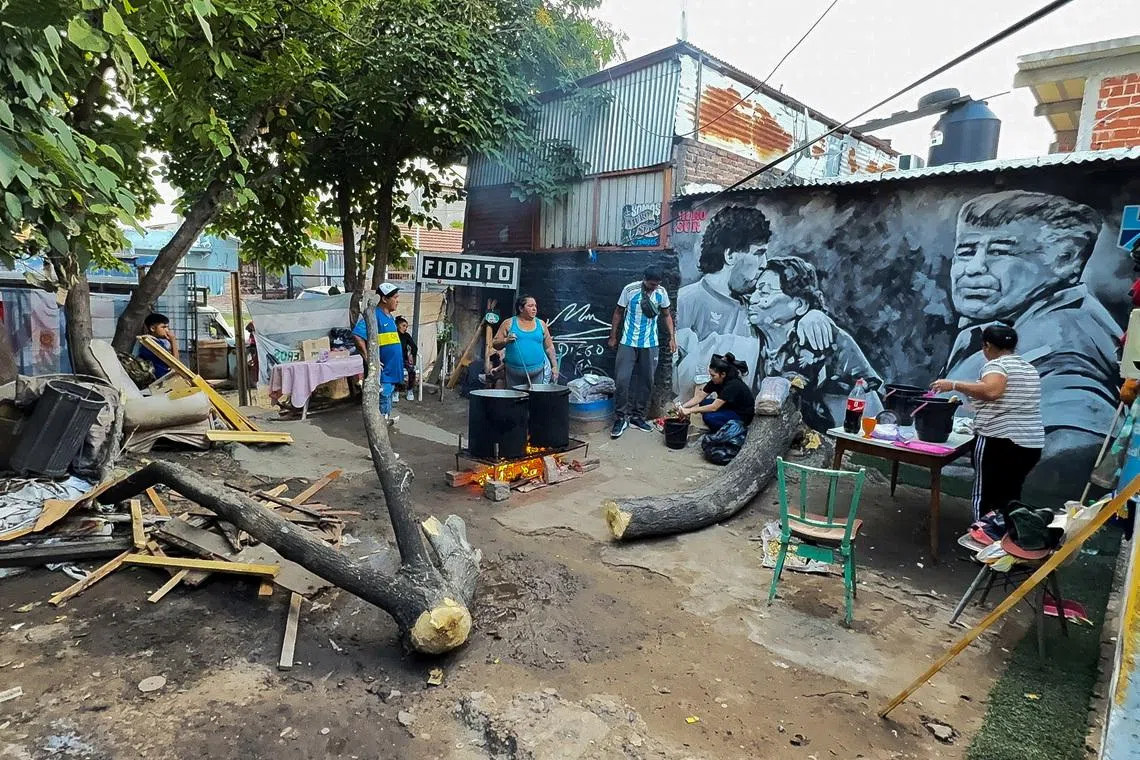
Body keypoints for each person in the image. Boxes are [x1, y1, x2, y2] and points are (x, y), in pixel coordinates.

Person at [941, 190, 1119, 495]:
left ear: (1066, 258)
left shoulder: (1061, 342)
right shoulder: (1002, 325)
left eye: (999, 251)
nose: (973, 268)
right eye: (966, 251)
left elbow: (1077, 441)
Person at [674, 205, 835, 399]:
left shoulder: (757, 307)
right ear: (730, 255)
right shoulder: (683, 302)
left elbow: (788, 326)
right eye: (759, 253)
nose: (765, 263)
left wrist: (813, 315)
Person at [746, 256, 882, 430]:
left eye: (764, 292)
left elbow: (870, 404)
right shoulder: (751, 334)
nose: (753, 298)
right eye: (755, 290)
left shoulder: (825, 340)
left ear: (800, 304)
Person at [932, 324, 1044, 523]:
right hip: (1030, 445)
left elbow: (992, 391)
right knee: (1009, 497)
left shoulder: (996, 365)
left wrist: (953, 385)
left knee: (985, 496)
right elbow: (1009, 402)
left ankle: (980, 537)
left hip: (999, 442)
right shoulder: (1028, 368)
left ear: (987, 346)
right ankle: (1004, 543)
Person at [608, 266, 676, 438]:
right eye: (651, 284)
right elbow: (618, 312)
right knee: (622, 380)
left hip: (650, 343)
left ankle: (638, 417)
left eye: (656, 284)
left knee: (647, 381)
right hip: (628, 342)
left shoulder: (661, 293)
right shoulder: (630, 290)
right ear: (644, 279)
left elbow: (667, 315)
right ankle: (621, 418)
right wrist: (613, 336)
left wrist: (672, 338)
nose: (653, 287)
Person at [352, 282, 404, 422]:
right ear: (385, 299)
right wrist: (369, 358)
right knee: (383, 397)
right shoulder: (374, 315)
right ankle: (380, 425)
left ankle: (385, 420)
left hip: (392, 369)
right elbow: (357, 335)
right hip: (384, 370)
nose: (397, 301)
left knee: (387, 397)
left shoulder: (390, 317)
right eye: (395, 297)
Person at [492, 295, 559, 387]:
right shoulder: (509, 323)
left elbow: (549, 347)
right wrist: (505, 341)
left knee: (534, 399)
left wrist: (555, 367)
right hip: (513, 374)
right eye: (530, 306)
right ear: (521, 308)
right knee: (514, 399)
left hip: (537, 372)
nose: (534, 309)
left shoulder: (541, 324)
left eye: (535, 306)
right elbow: (495, 344)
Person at [677, 353, 755, 432]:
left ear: (723, 374)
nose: (711, 378)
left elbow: (714, 407)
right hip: (730, 406)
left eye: (713, 375)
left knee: (709, 417)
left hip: (741, 415)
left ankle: (734, 429)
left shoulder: (732, 385)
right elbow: (699, 397)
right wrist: (683, 407)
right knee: (704, 402)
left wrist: (690, 410)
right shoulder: (716, 381)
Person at [137, 313, 178, 379]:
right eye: (163, 327)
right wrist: (173, 341)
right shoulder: (151, 344)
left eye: (167, 327)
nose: (167, 330)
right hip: (160, 379)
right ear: (152, 328)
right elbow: (175, 364)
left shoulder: (157, 342)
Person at [396, 316, 418, 402]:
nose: (405, 328)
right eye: (403, 325)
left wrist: (411, 354)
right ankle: (395, 390)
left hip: (404, 359)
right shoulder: (393, 335)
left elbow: (414, 347)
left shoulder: (406, 336)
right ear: (398, 325)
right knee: (396, 370)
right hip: (395, 359)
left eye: (406, 326)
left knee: (412, 369)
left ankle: (409, 390)